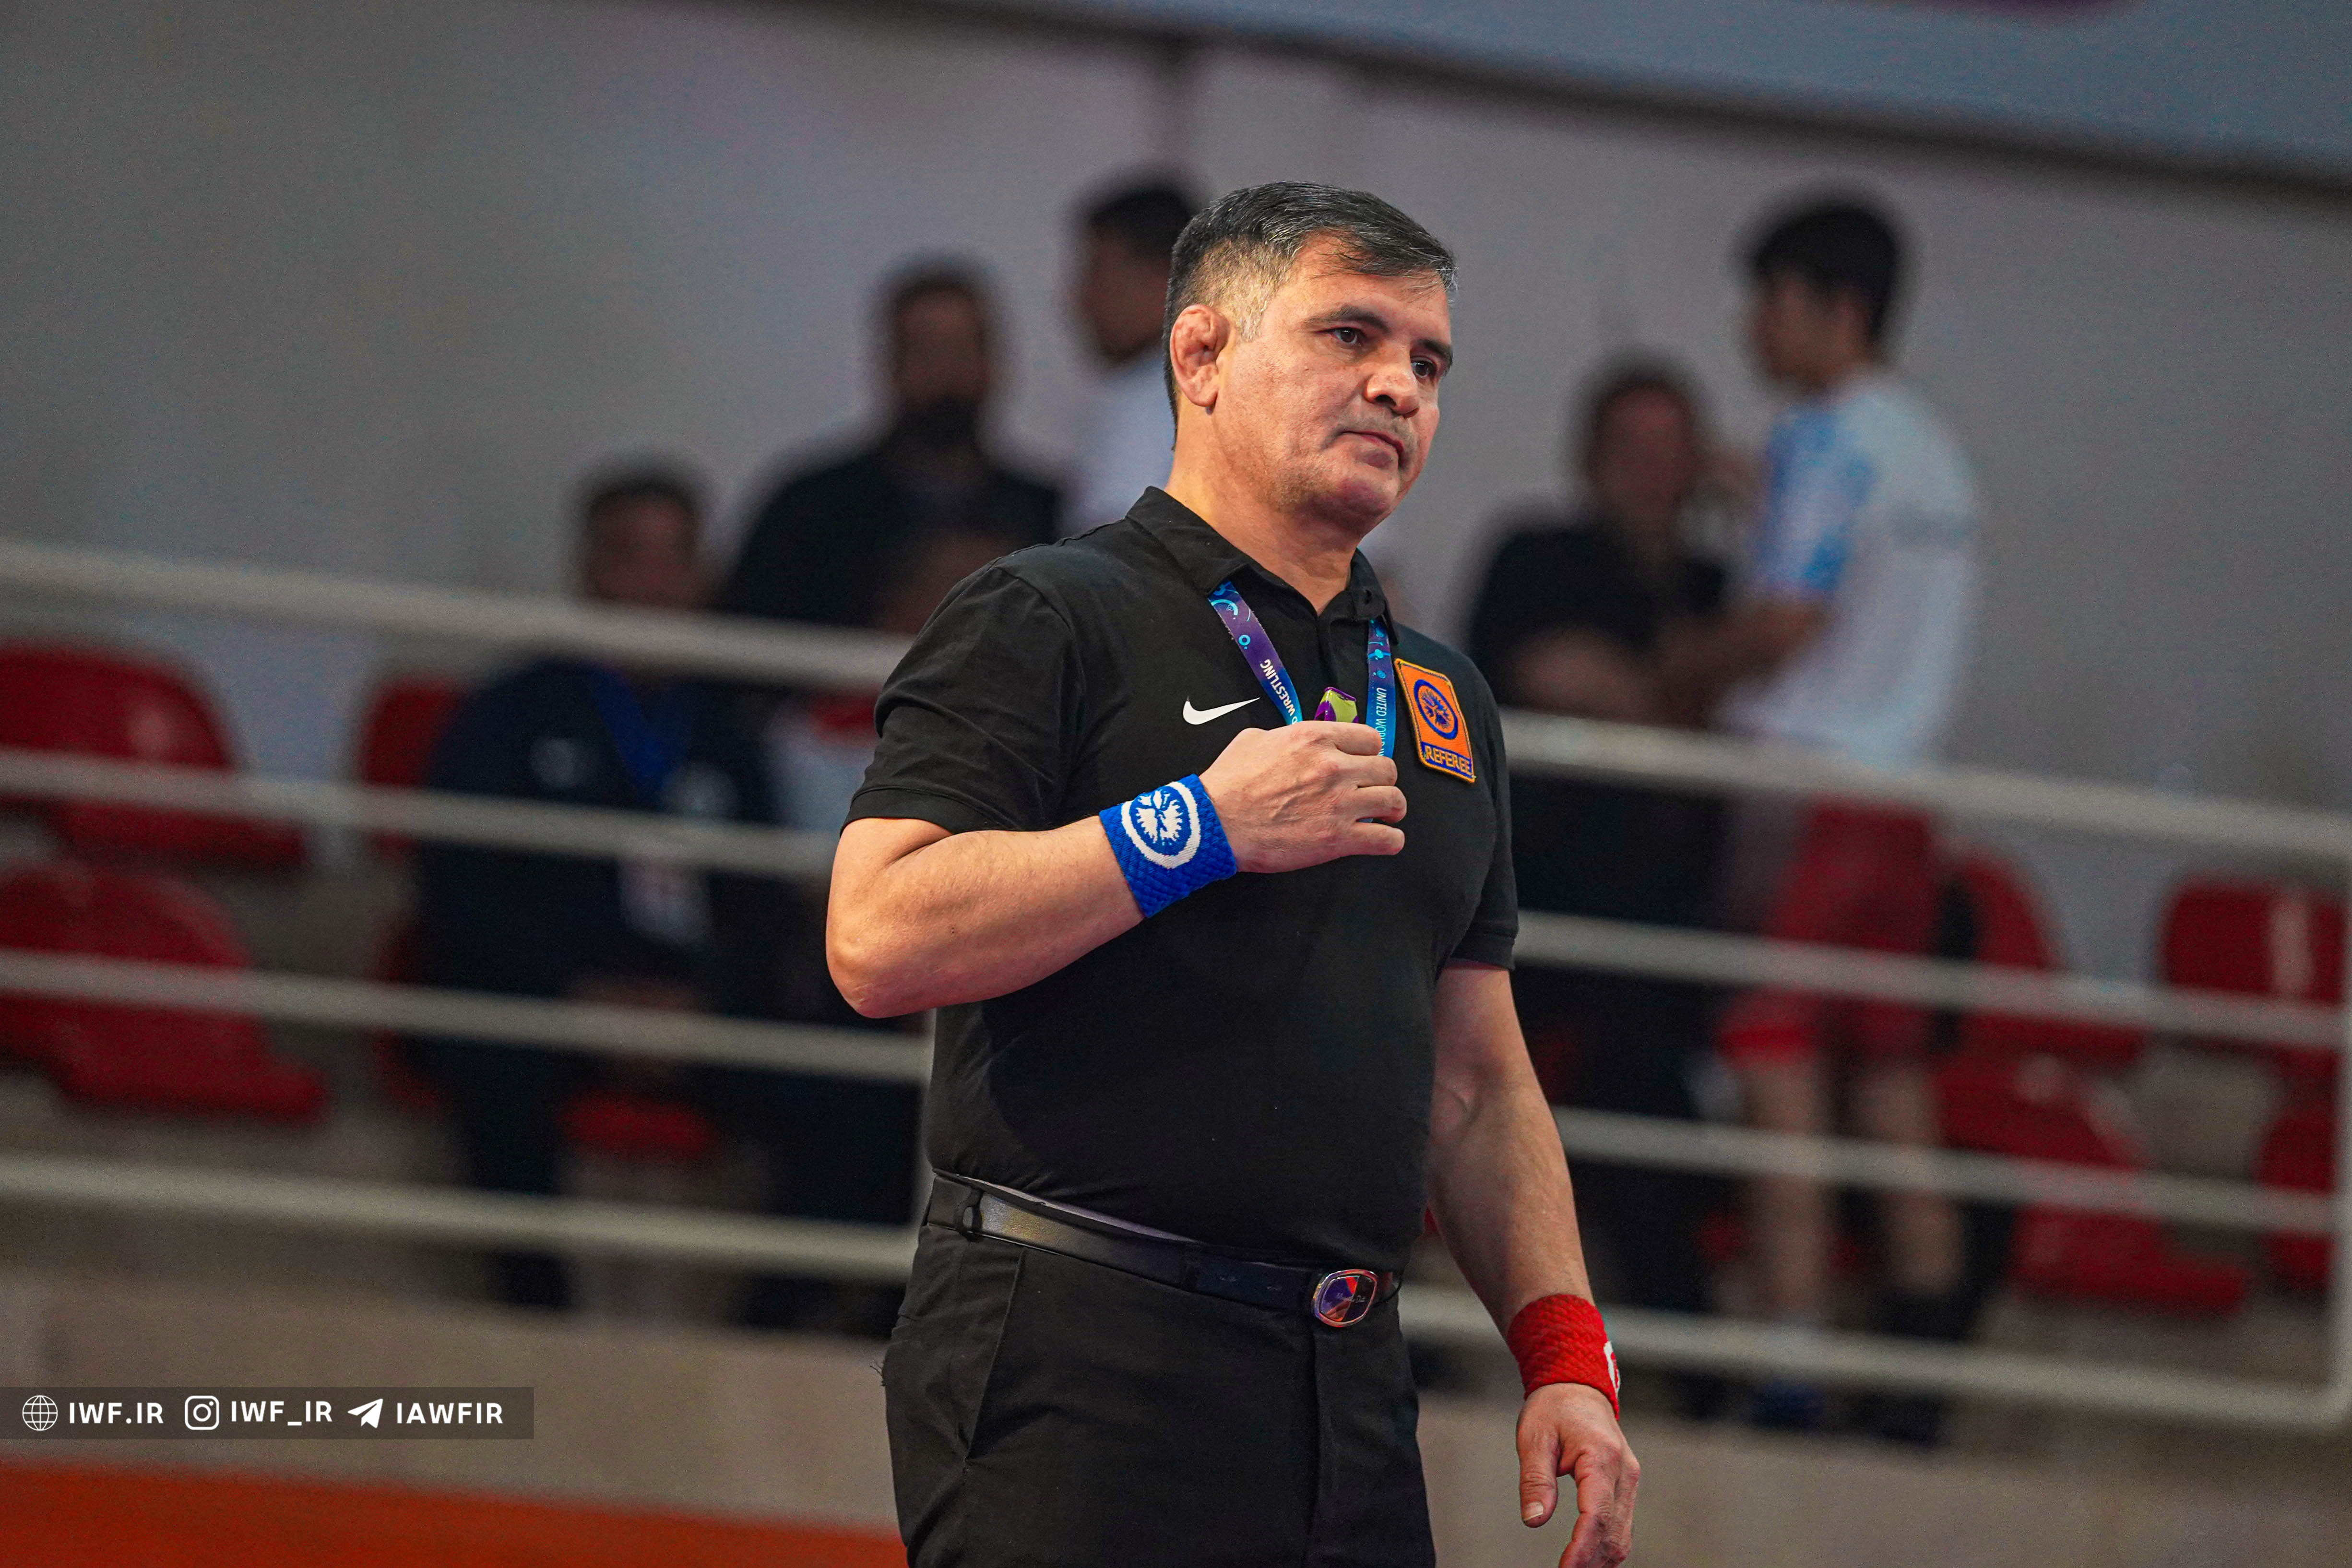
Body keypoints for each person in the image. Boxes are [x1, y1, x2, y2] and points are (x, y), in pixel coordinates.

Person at [829, 183, 1637, 1568]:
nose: (1397, 386)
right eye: (1349, 336)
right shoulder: (1046, 611)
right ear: (1200, 354)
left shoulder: (1442, 698)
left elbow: (1475, 1078)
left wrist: (1565, 1353)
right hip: (1080, 1349)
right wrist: (1198, 826)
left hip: (1345, 1379)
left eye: (1427, 362)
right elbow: (875, 931)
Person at [1665, 196, 1982, 1438]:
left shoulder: (1820, 437)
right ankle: (1921, 1372)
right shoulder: (1933, 451)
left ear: (1834, 309)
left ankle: (1789, 1369)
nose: (1754, 325)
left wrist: (1675, 672)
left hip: (1806, 798)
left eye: (1771, 301)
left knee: (1778, 1074)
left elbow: (1788, 621)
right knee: (1887, 1085)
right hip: (1903, 809)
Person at [411, 466, 792, 1310]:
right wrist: (579, 997)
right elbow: (462, 891)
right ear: (587, 574)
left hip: (692, 1014)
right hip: (551, 1001)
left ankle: (781, 1325)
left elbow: (766, 911)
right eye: (630, 557)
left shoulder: (728, 731)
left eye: (674, 559)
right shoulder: (508, 711)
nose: (653, 585)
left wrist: (701, 1003)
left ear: (702, 580)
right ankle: (537, 1312)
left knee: (841, 1073)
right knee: (489, 1052)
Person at [1464, 363, 1731, 1411]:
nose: (1651, 472)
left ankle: (1696, 1369)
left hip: (1669, 928)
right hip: (1529, 903)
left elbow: (1759, 710)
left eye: (1672, 450)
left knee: (1648, 1097)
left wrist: (1642, 690)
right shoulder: (1537, 553)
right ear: (1588, 458)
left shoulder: (1719, 581)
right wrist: (1688, 686)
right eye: (1631, 448)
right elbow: (1538, 673)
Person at [722, 262, 1058, 631]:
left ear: (994, 365)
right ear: (891, 364)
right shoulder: (809, 511)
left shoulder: (1051, 516)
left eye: (963, 349)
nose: (947, 370)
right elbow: (748, 646)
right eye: (927, 350)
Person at [1061, 176, 1198, 535]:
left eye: (1098, 271)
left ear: (1161, 278)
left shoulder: (1147, 396)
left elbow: (1113, 555)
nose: (1081, 300)